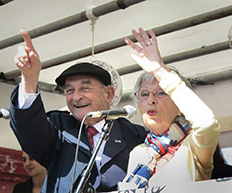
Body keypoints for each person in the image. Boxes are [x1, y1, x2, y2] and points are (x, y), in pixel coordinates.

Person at [10, 30, 147, 193]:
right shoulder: (59, 128)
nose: (76, 97)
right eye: (69, 90)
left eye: (85, 88)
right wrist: (29, 79)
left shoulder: (136, 135)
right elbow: (29, 128)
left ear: (109, 93)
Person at [118, 28, 221, 190]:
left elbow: (207, 122)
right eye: (144, 94)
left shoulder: (193, 143)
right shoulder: (139, 152)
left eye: (161, 93)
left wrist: (159, 71)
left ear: (179, 104)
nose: (151, 100)